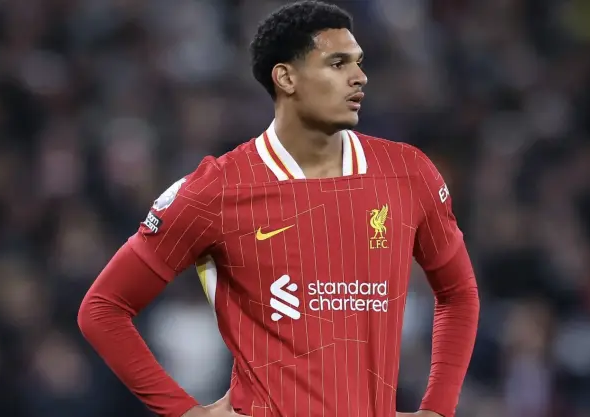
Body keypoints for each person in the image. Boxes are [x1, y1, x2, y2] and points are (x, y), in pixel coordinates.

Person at [77, 1, 479, 417]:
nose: (359, 77)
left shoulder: (408, 173)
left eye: (358, 62)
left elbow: (458, 293)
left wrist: (438, 407)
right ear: (286, 78)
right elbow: (103, 308)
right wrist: (185, 411)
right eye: (337, 63)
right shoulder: (218, 188)